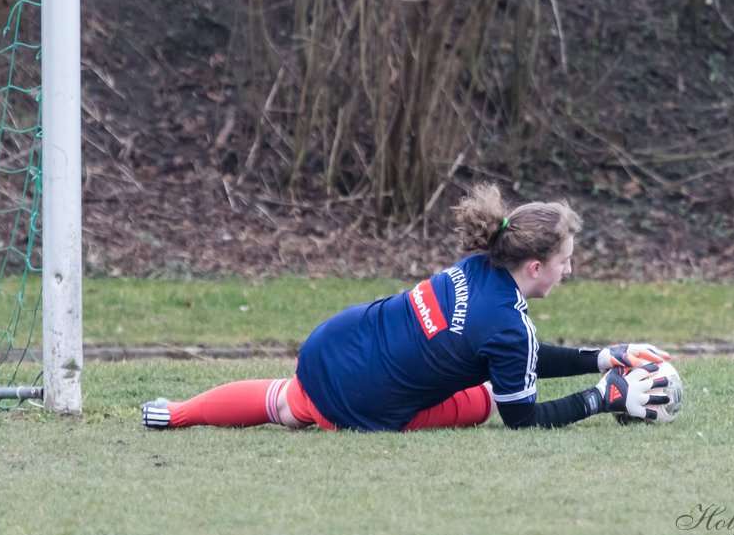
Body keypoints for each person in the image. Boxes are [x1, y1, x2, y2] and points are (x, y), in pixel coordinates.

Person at [140, 184, 673, 432]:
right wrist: (601, 397)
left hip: (334, 344)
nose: (570, 270)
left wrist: (606, 355)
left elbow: (519, 351)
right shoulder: (510, 327)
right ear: (534, 266)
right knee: (488, 397)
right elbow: (523, 418)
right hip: (367, 400)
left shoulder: (476, 264)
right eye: (565, 261)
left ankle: (181, 411)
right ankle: (212, 412)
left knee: (289, 399)